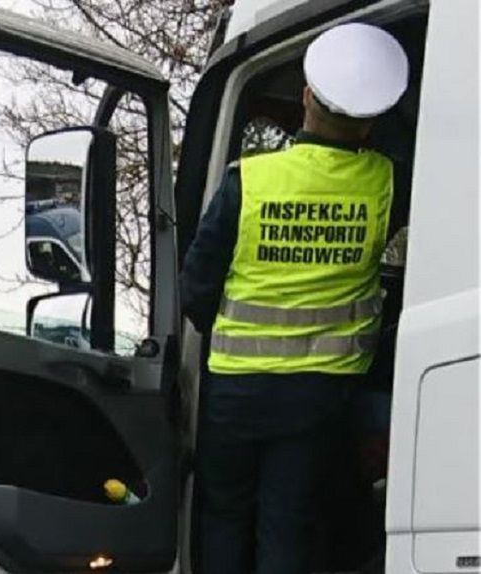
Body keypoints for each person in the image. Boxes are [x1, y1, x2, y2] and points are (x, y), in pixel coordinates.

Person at [180, 23, 409, 573]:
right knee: (288, 522)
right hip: (322, 395)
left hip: (236, 391)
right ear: (372, 118)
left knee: (225, 518)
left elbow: (196, 291)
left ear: (307, 96)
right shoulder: (385, 183)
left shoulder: (248, 181)